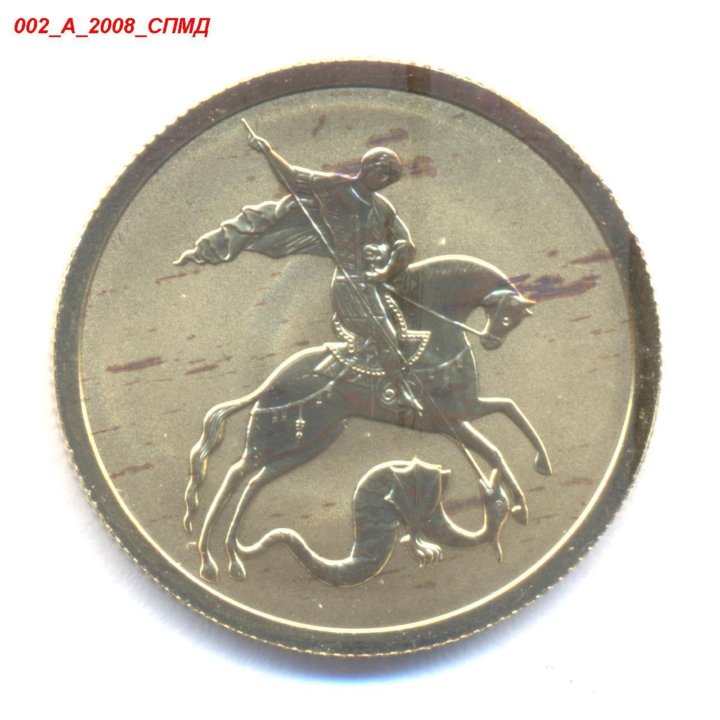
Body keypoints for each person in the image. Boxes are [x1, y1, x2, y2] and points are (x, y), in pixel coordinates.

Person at [175, 125, 422, 412]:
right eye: (384, 172)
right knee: (387, 335)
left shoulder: (382, 208)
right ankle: (399, 390)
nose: (386, 180)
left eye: (391, 177)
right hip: (348, 283)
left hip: (373, 282)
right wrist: (268, 151)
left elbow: (406, 243)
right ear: (368, 167)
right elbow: (293, 178)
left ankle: (370, 361)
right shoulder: (335, 188)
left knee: (399, 330)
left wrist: (387, 266)